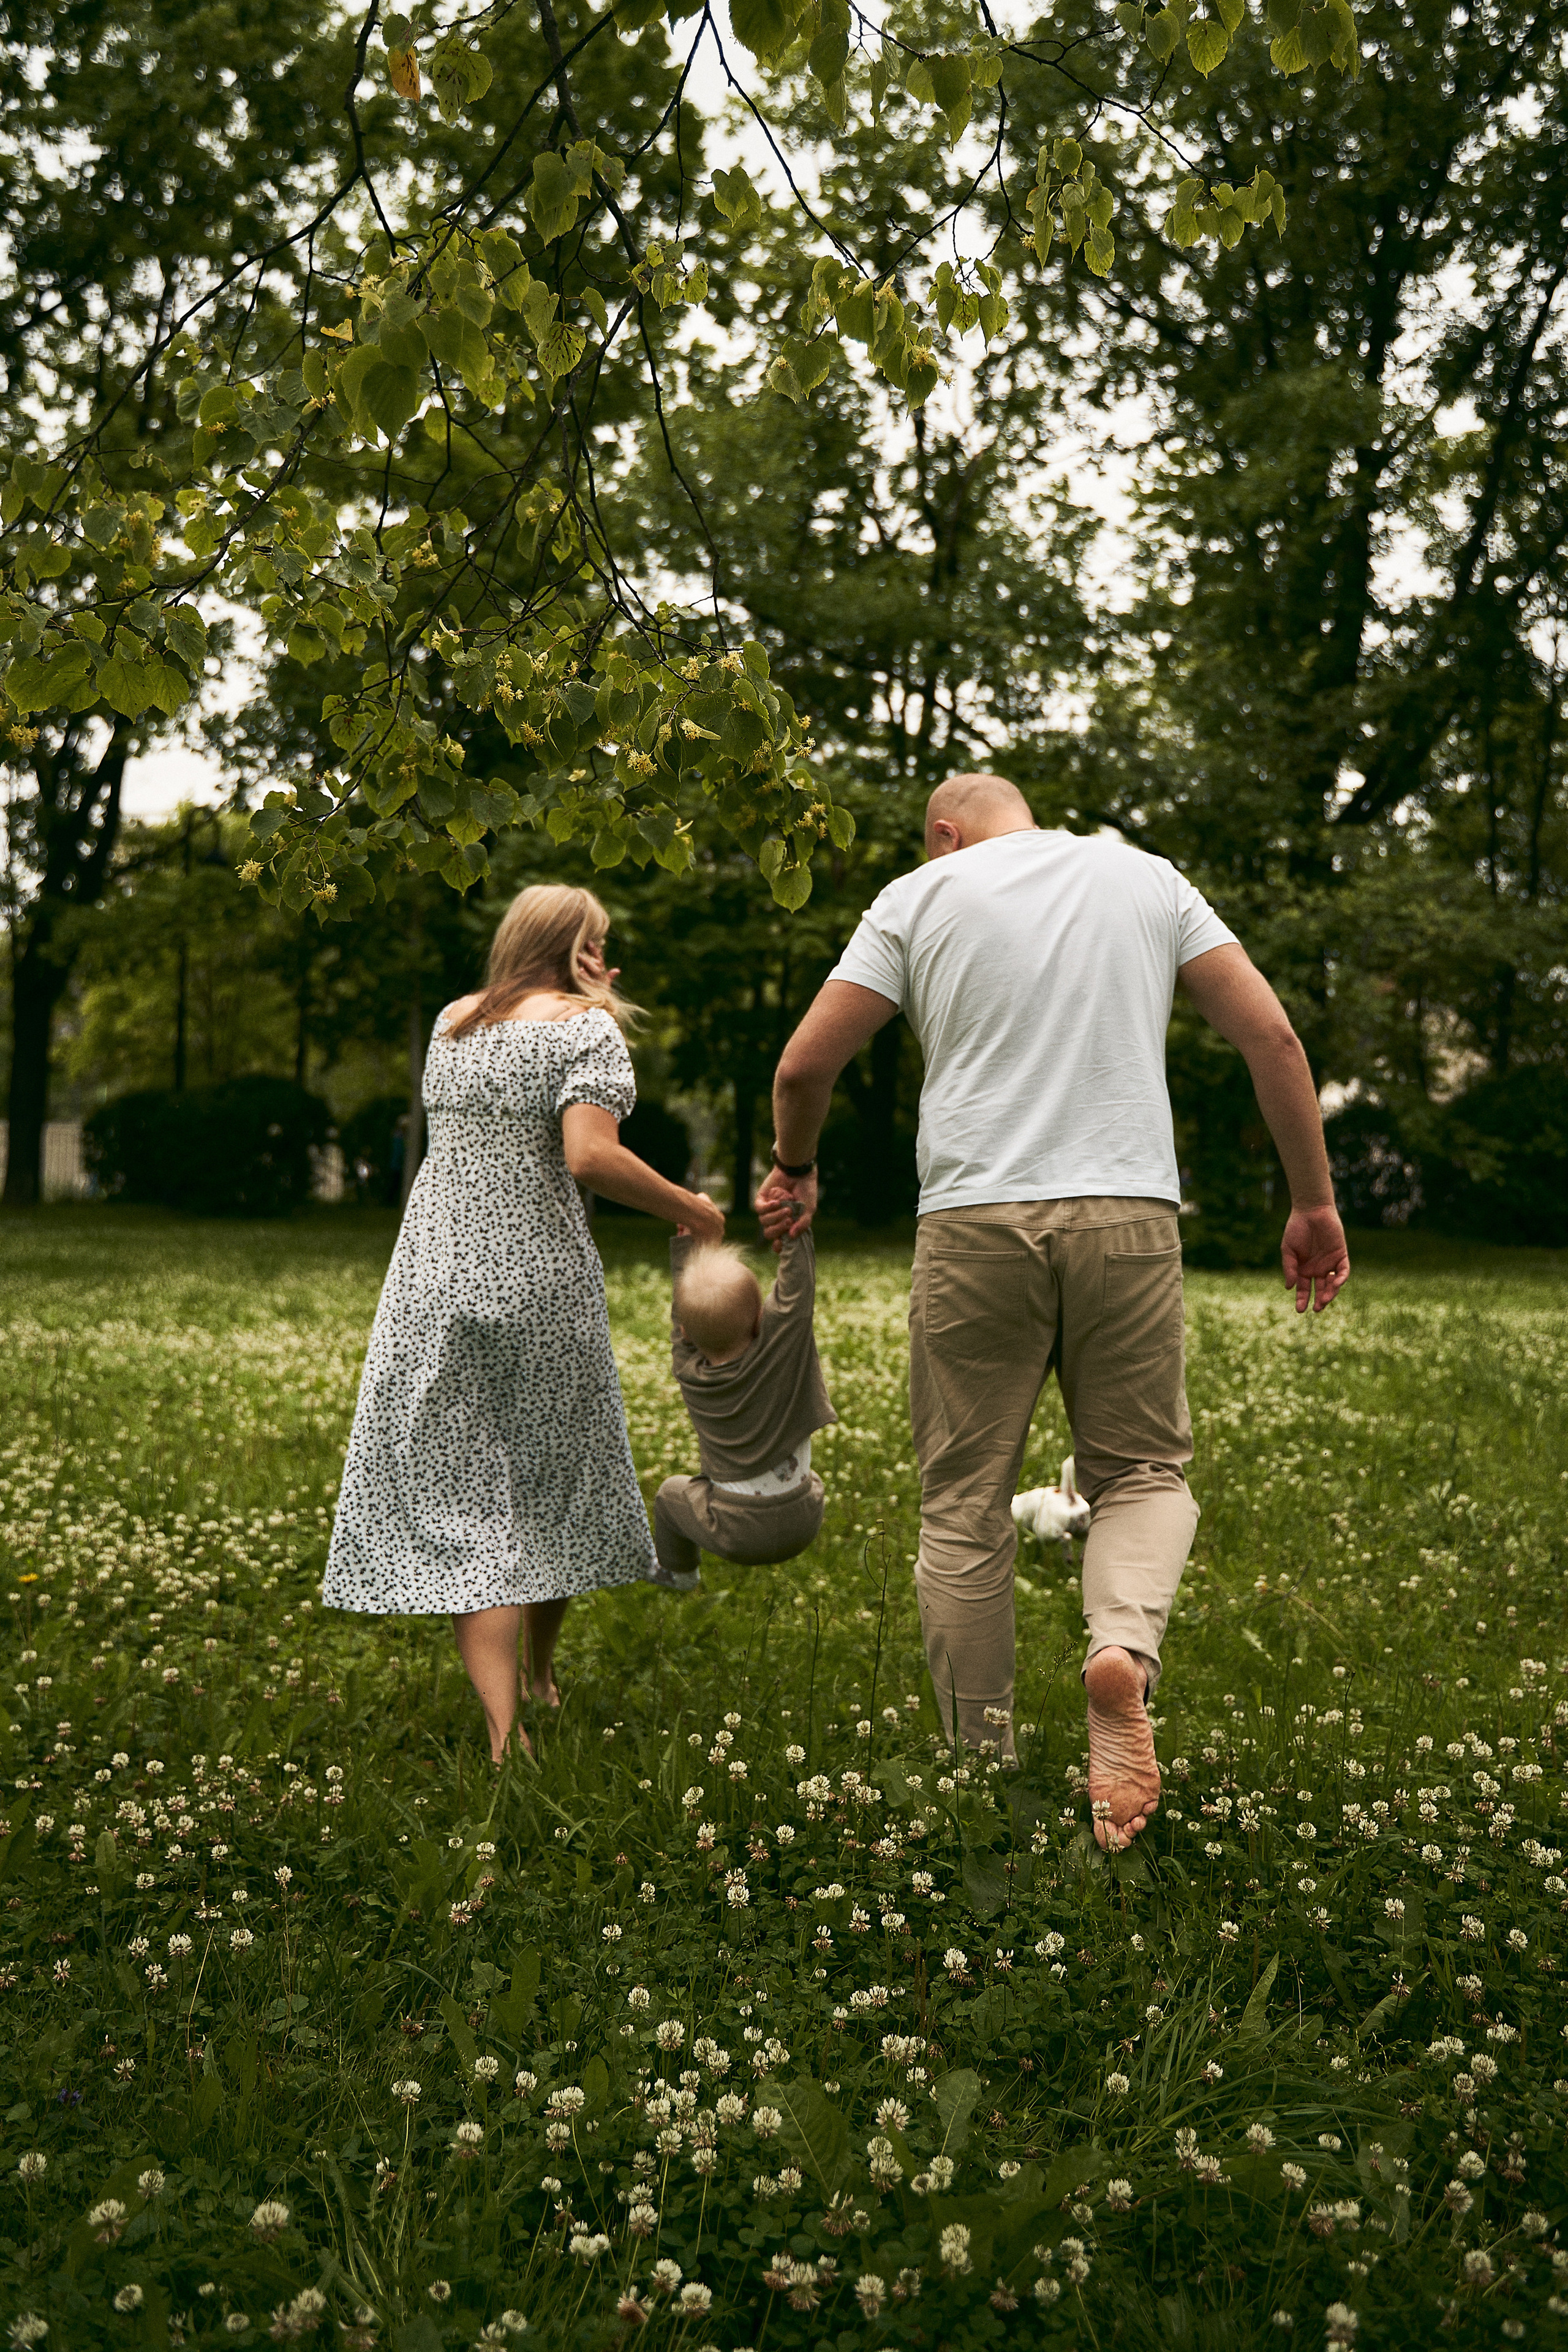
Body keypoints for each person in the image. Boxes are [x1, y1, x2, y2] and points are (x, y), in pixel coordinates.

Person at [758, 773, 1349, 1849]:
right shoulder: (1148, 880)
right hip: (1128, 1213)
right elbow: (1273, 1040)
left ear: (946, 834)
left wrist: (794, 1168)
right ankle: (1118, 1647)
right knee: (1143, 1474)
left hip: (975, 1224)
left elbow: (805, 1063)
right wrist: (1312, 1201)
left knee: (961, 1505)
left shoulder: (918, 898)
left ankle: (980, 1770)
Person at [322, 883, 723, 1760]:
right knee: (554, 1480)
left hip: (434, 1276)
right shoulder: (587, 1028)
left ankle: (510, 1724)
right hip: (539, 1282)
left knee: (469, 1500)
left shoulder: (454, 1021)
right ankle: (536, 1684)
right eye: (600, 942)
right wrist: (691, 1208)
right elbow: (589, 1156)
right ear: (576, 944)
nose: (609, 960)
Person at [651, 1231, 837, 1591]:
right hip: (805, 1517)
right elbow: (796, 1298)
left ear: (686, 1334)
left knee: (668, 1495)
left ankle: (680, 1576)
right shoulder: (782, 1357)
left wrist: (685, 1247)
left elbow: (682, 1320)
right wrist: (795, 1230)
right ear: (759, 1321)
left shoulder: (690, 1374)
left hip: (733, 1532)